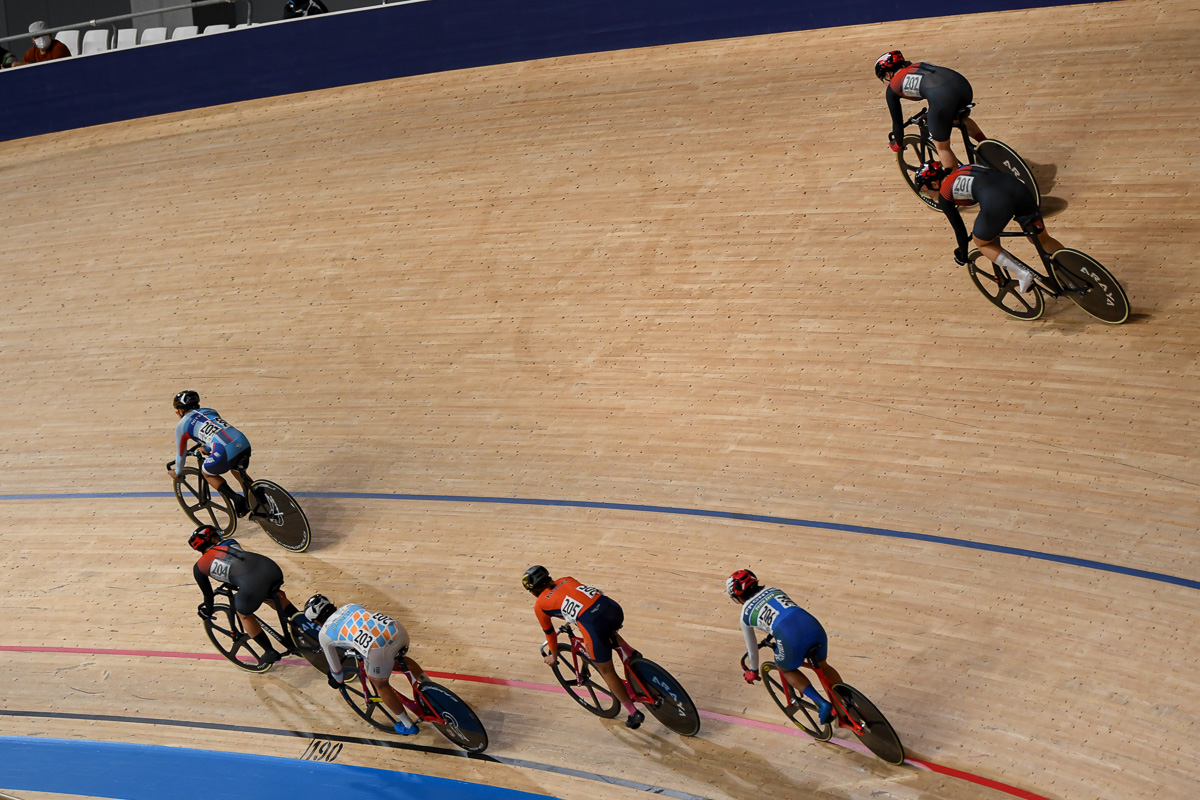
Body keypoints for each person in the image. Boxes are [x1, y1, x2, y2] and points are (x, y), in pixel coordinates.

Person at [522, 565, 644, 729]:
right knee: (607, 629)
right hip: (613, 609)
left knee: (606, 670)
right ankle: (631, 653)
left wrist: (554, 656)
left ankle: (633, 712)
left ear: (532, 591)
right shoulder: (567, 579)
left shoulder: (539, 606)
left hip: (593, 624)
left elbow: (550, 634)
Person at [915, 159, 1063, 294]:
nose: (928, 196)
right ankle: (1075, 267)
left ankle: (1023, 274)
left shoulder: (944, 194)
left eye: (925, 192)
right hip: (1019, 188)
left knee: (980, 241)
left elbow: (959, 229)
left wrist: (963, 253)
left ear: (934, 184)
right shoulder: (964, 167)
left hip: (997, 201)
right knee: (1040, 239)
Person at [728, 569, 843, 724]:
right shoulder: (774, 590)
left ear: (738, 596)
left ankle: (822, 704)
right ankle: (847, 699)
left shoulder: (745, 616)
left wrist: (753, 671)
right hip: (813, 626)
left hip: (790, 638)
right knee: (822, 664)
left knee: (785, 668)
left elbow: (752, 649)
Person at [307, 594, 430, 736]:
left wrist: (336, 680)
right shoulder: (351, 606)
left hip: (378, 648)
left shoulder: (324, 634)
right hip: (397, 630)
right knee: (400, 659)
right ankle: (432, 690)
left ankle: (408, 724)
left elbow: (337, 672)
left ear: (317, 621)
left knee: (381, 684)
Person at [190, 525, 302, 665]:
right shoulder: (231, 542)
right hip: (271, 568)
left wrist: (207, 611)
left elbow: (208, 597)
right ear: (212, 539)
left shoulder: (199, 567)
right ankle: (304, 623)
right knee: (271, 597)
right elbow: (240, 566)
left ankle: (269, 651)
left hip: (252, 583)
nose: (220, 536)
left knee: (243, 613)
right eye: (216, 534)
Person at [876, 50, 986, 172]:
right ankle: (988, 145)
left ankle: (953, 182)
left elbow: (897, 123)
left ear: (888, 75)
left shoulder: (892, 87)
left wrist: (897, 143)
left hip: (943, 99)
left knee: (942, 147)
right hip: (963, 86)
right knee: (958, 117)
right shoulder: (918, 65)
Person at [166, 390, 254, 518]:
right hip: (242, 441)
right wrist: (207, 447)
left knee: (206, 472)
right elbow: (218, 432)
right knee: (237, 470)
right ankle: (260, 498)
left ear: (180, 410)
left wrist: (177, 471)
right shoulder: (211, 411)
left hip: (224, 450)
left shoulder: (181, 426)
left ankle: (236, 499)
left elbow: (181, 454)